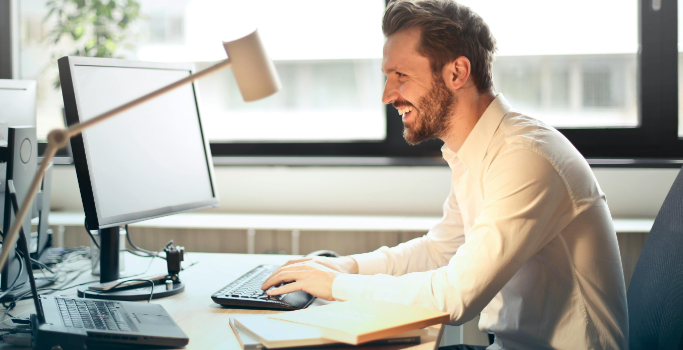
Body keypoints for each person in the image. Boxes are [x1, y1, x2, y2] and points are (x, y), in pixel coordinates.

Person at [260, 1, 629, 349]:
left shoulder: (526, 158)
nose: (388, 95)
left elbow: (455, 297)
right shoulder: (476, 151)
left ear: (457, 72)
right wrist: (345, 266)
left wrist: (337, 285)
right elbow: (440, 251)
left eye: (400, 75)